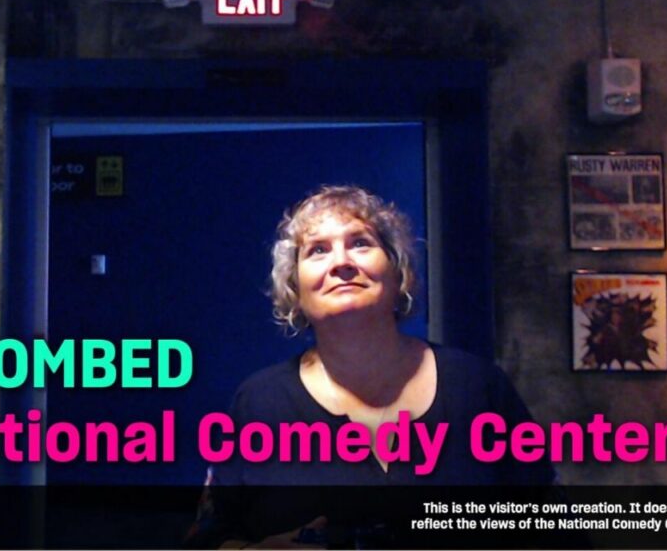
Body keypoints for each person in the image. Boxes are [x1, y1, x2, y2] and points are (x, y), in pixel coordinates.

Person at [189, 185, 556, 548]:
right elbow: (205, 539)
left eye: (361, 243)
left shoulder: (477, 387)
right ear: (296, 292)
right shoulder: (258, 402)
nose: (342, 263)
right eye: (318, 250)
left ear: (398, 275)